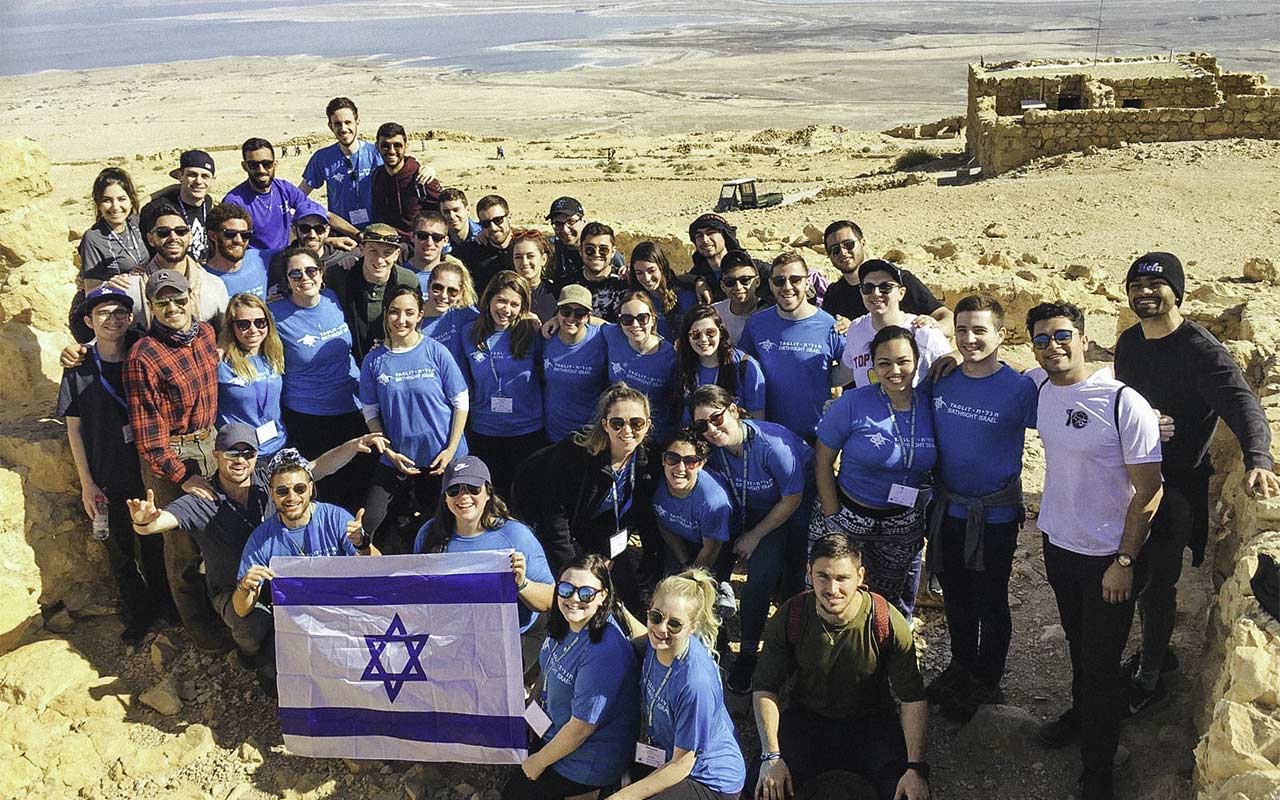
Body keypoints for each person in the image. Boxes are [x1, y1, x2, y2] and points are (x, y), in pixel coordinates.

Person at [1112, 252, 1278, 715]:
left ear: (1177, 292)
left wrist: (1258, 458)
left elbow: (1241, 402)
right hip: (1132, 479)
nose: (1144, 293)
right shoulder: (1129, 342)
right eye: (1136, 286)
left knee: (1157, 581)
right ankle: (1152, 654)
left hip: (1176, 486)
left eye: (1155, 285)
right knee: (1132, 571)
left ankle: (1150, 676)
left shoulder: (1199, 348)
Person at [126, 425, 382, 693]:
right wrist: (144, 523)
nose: (240, 460)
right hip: (237, 589)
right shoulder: (202, 499)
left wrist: (353, 444)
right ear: (216, 455)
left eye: (247, 453)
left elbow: (318, 466)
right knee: (255, 632)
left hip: (294, 594)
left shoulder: (271, 481)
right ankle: (250, 653)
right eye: (231, 453)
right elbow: (161, 522)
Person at [1026, 301, 1163, 800]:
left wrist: (1125, 561)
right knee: (1077, 644)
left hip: (1110, 557)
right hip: (1059, 543)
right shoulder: (1040, 388)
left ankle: (1098, 767)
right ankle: (1084, 717)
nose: (1052, 347)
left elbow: (1150, 490)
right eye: (1041, 340)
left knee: (1102, 664)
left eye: (1062, 336)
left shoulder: (1123, 401)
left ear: (1085, 338)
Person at [923, 295, 1037, 721]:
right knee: (955, 595)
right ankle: (961, 665)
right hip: (947, 509)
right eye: (963, 330)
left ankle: (987, 680)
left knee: (990, 599)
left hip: (994, 515)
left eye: (980, 330)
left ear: (1001, 335)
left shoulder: (1021, 388)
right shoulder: (943, 380)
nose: (970, 339)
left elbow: (1067, 416)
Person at [752, 534, 930, 800]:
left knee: (909, 793)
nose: (832, 589)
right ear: (808, 573)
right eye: (823, 576)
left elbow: (912, 698)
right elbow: (765, 688)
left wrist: (915, 768)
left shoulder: (886, 622)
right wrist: (772, 755)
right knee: (764, 788)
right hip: (808, 718)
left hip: (871, 721)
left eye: (842, 578)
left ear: (860, 576)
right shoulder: (791, 616)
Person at [59, 286, 171, 644]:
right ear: (89, 321)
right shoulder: (79, 365)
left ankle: (165, 606)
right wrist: (86, 483)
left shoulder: (145, 353)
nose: (113, 319)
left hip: (147, 468)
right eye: (104, 313)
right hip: (106, 475)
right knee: (119, 549)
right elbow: (73, 426)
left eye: (120, 311)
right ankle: (137, 614)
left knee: (155, 542)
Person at [124, 269, 227, 651]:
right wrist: (183, 476)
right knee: (182, 545)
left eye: (179, 299)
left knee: (216, 534)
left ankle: (223, 610)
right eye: (162, 302)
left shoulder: (205, 335)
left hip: (209, 440)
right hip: (171, 452)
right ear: (151, 307)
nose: (173, 308)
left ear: (191, 299)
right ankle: (199, 627)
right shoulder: (143, 356)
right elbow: (148, 438)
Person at [690, 385, 812, 693]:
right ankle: (712, 638)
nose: (711, 429)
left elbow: (792, 498)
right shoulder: (712, 447)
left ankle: (754, 650)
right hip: (746, 507)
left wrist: (755, 536)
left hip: (787, 507)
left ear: (733, 410)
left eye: (716, 418)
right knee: (711, 562)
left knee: (767, 573)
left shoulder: (771, 446)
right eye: (701, 425)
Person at [815, 326, 936, 620]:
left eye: (903, 361)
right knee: (835, 598)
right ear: (872, 365)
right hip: (848, 515)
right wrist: (833, 515)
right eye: (884, 363)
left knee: (888, 602)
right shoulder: (853, 404)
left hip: (901, 521)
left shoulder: (931, 404)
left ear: (917, 361)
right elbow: (822, 460)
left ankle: (884, 657)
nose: (895, 370)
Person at [513, 382, 661, 614]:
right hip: (542, 511)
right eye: (617, 423)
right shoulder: (576, 454)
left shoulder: (647, 461)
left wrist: (649, 558)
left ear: (647, 425)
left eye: (636, 423)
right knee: (575, 592)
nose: (627, 430)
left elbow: (641, 512)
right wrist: (575, 569)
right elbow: (554, 521)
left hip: (598, 521)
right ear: (605, 424)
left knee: (627, 593)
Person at [506, 554, 640, 800]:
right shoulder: (564, 621)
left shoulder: (604, 651)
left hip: (586, 758)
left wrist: (537, 763)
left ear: (603, 597)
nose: (574, 599)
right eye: (566, 589)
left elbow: (582, 728)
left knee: (516, 793)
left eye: (586, 593)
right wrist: (530, 713)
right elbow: (546, 672)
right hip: (552, 730)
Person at [413, 457, 555, 683]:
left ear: (488, 492)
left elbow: (550, 600)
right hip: (456, 638)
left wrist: (522, 584)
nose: (464, 496)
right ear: (445, 498)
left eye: (473, 488)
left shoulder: (516, 536)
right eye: (454, 490)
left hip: (513, 637)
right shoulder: (429, 534)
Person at [611, 569, 746, 800]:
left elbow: (682, 764)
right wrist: (618, 608)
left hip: (707, 779)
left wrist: (622, 798)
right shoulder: (657, 645)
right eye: (656, 617)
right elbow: (641, 636)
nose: (662, 629)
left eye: (674, 624)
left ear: (692, 627)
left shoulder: (695, 683)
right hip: (665, 753)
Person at [359, 285, 470, 553]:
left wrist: (450, 451)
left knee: (445, 528)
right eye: (395, 312)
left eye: (409, 312)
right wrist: (389, 452)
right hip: (397, 458)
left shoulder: (436, 351)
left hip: (442, 459)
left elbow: (461, 402)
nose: (401, 319)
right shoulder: (374, 360)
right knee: (368, 524)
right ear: (386, 314)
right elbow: (370, 411)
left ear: (421, 315)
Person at [234, 449, 379, 634]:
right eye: (282, 491)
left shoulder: (336, 518)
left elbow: (377, 569)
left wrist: (363, 544)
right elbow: (240, 609)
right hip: (299, 625)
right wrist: (245, 586)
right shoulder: (261, 539)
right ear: (272, 494)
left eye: (299, 488)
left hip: (344, 610)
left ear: (310, 488)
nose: (292, 497)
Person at [269, 248, 368, 509]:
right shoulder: (274, 314)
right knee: (325, 492)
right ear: (287, 281)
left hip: (352, 408)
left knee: (358, 486)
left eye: (311, 270)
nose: (305, 278)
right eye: (295, 274)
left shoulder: (333, 299)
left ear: (321, 273)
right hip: (309, 418)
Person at [738, 253, 847, 442]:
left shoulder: (831, 325)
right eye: (779, 281)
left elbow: (851, 368)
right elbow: (743, 368)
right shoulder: (756, 324)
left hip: (815, 436)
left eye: (795, 279)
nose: (787, 287)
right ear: (771, 285)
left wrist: (826, 381)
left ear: (807, 282)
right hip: (767, 434)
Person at [461, 271, 546, 495]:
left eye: (514, 304)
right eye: (501, 300)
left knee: (523, 496)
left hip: (526, 430)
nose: (506, 309)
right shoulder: (469, 332)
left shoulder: (531, 332)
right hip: (485, 429)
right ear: (489, 298)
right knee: (490, 496)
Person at [820, 220, 950, 334]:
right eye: (835, 250)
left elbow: (946, 317)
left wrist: (934, 329)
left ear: (863, 243)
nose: (843, 252)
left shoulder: (898, 280)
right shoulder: (834, 294)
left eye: (848, 245)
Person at [840, 259, 952, 390]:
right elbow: (845, 372)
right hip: (869, 409)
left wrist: (959, 355)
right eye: (868, 287)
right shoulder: (856, 329)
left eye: (885, 287)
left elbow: (951, 370)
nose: (876, 293)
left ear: (901, 293)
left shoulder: (922, 331)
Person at [322, 222, 418, 364]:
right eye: (373, 251)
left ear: (397, 254)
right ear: (362, 249)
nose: (380, 260)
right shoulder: (340, 276)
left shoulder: (407, 280)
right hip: (348, 362)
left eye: (387, 253)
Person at [128, 204, 229, 328]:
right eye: (163, 233)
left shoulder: (213, 285)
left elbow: (225, 334)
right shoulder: (131, 288)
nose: (173, 237)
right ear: (150, 239)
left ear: (190, 237)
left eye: (181, 231)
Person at [216, 293, 288, 460]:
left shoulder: (274, 354)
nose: (253, 330)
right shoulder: (221, 362)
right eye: (243, 324)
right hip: (241, 453)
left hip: (277, 445)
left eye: (260, 322)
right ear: (232, 326)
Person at [299, 97, 382, 237]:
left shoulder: (376, 153)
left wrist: (425, 170)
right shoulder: (322, 158)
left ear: (357, 122)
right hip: (341, 234)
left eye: (348, 122)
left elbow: (401, 170)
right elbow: (300, 194)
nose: (343, 129)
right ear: (330, 126)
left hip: (376, 231)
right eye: (337, 124)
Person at [653, 429, 732, 574]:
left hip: (716, 543)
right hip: (680, 538)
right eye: (672, 458)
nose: (680, 468)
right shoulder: (656, 484)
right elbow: (663, 523)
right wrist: (685, 562)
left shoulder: (713, 501)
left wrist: (689, 577)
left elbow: (711, 549)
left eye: (690, 461)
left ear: (701, 464)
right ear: (663, 460)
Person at [603, 292, 679, 439]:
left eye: (642, 318)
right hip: (619, 432)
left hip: (654, 435)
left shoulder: (671, 355)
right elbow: (592, 322)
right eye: (627, 319)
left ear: (653, 319)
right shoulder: (613, 335)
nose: (635, 325)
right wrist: (554, 320)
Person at [675, 305, 766, 423]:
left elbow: (758, 420)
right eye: (695, 334)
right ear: (688, 338)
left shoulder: (745, 366)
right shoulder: (683, 365)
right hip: (695, 438)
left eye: (710, 332)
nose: (703, 339)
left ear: (721, 332)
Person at [542, 284, 609, 443]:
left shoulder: (601, 337)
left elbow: (625, 328)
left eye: (579, 313)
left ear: (588, 316)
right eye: (566, 311)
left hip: (590, 433)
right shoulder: (546, 336)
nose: (571, 318)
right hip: (553, 432)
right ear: (558, 312)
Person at [224, 137, 310, 252]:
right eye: (254, 165)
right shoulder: (235, 201)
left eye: (267, 164)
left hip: (285, 257)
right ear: (244, 166)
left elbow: (314, 211)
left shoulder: (285, 189)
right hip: (253, 262)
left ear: (275, 164)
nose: (261, 170)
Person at [265, 199, 358, 295]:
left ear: (327, 231)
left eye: (319, 229)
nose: (312, 234)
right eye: (305, 228)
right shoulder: (281, 261)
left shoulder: (341, 259)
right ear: (294, 229)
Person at [140, 150, 216, 263]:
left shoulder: (208, 202)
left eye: (205, 176)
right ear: (180, 176)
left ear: (212, 181)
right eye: (192, 175)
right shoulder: (159, 208)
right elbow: (133, 210)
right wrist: (169, 188)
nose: (198, 181)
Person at [79, 167, 147, 292]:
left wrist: (174, 188)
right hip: (115, 305)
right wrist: (109, 283)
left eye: (122, 199)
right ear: (98, 204)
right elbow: (91, 288)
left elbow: (149, 199)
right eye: (107, 200)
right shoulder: (93, 238)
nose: (115, 207)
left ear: (131, 201)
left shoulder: (134, 222)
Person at [372, 121, 441, 237]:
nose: (391, 151)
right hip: (386, 243)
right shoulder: (376, 177)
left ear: (406, 146)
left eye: (397, 145)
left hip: (418, 246)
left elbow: (446, 208)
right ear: (377, 147)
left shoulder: (421, 177)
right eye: (385, 146)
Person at [546, 196, 625, 288]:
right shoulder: (550, 249)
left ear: (583, 220)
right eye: (558, 224)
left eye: (570, 222)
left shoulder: (605, 253)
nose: (565, 230)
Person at [420, 259, 482, 370]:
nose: (443, 295)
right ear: (428, 286)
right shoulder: (413, 320)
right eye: (437, 288)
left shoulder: (467, 315)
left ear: (460, 293)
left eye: (452, 291)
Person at [629, 241, 697, 340]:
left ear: (662, 267)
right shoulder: (635, 301)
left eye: (651, 271)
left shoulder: (686, 295)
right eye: (639, 273)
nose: (647, 278)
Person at [451, 194, 516, 295]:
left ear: (509, 216)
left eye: (498, 220)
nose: (493, 228)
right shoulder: (471, 251)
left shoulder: (523, 246)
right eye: (486, 224)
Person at [203, 202, 269, 299]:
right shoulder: (203, 278)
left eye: (245, 234)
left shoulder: (260, 259)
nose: (239, 240)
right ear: (213, 236)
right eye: (230, 234)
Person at [575, 222, 629, 322]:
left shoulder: (625, 282)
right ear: (580, 250)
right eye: (589, 249)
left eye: (603, 250)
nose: (596, 254)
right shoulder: (568, 283)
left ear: (613, 252)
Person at [710, 252, 764, 344]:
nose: (738, 287)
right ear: (722, 286)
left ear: (757, 281)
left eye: (745, 280)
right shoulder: (713, 313)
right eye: (730, 282)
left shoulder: (770, 312)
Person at [406, 210, 463, 294]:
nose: (429, 242)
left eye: (437, 237)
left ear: (445, 241)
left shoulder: (454, 278)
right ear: (412, 237)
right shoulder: (398, 274)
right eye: (423, 236)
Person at [511, 229, 559, 322]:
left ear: (543, 259)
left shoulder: (556, 293)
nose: (524, 262)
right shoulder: (505, 293)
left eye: (530, 256)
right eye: (518, 257)